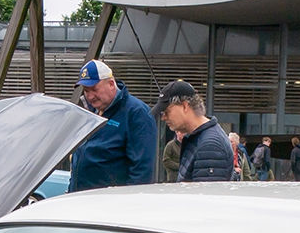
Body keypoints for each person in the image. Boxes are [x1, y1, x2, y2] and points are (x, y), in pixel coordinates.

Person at [69, 60, 158, 191]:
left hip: (110, 204)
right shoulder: (90, 111)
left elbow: (142, 172)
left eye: (94, 89)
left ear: (111, 84)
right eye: (86, 91)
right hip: (82, 200)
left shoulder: (137, 113)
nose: (90, 96)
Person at [152, 79, 233, 182]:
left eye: (166, 111)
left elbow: (204, 196)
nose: (163, 117)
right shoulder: (200, 139)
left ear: (185, 106)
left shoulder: (210, 146)